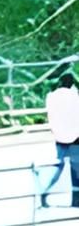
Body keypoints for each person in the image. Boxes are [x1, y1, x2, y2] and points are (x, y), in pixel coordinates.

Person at [40, 71, 79, 210]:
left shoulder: (51, 96)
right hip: (75, 136)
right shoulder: (75, 95)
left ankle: (43, 192)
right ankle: (76, 199)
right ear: (72, 84)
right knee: (76, 169)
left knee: (59, 167)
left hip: (59, 136)